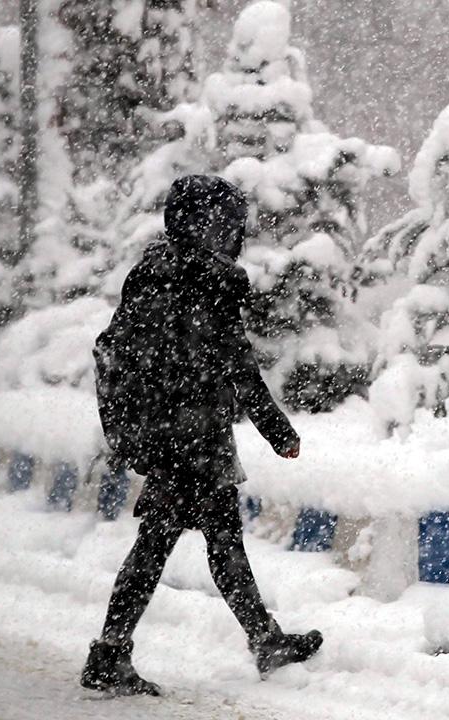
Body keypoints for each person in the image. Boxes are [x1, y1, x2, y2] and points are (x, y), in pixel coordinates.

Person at [81, 175, 322, 696]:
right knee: (185, 542)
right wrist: (279, 432)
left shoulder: (152, 272)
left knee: (194, 538)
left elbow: (132, 352)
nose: (233, 234)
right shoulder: (207, 281)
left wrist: (144, 427)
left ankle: (257, 640)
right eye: (228, 224)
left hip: (165, 433)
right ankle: (113, 651)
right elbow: (238, 366)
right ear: (207, 225)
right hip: (191, 437)